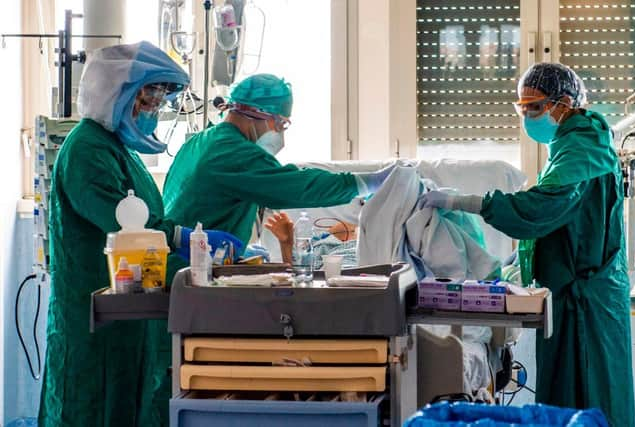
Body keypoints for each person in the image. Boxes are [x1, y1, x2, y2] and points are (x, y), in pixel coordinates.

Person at [420, 63, 635, 426]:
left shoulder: (583, 149)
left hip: (588, 305)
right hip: (574, 294)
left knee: (590, 396)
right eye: (522, 107)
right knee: (570, 399)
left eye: (534, 107)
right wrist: (516, 266)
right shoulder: (572, 141)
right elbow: (563, 225)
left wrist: (466, 202)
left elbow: (540, 209)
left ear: (563, 103)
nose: (527, 116)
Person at [38, 41, 235, 427]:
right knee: (91, 405)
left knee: (128, 401)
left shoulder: (118, 150)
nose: (155, 110)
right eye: (148, 100)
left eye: (159, 101)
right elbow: (127, 225)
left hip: (127, 307)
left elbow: (143, 219)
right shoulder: (86, 151)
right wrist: (183, 239)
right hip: (94, 310)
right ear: (117, 94)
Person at [162, 73, 394, 276]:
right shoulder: (233, 153)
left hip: (182, 263)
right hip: (191, 268)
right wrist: (366, 182)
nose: (280, 134)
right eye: (281, 124)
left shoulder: (199, 142)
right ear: (260, 114)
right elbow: (298, 186)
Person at [265, 212, 358, 266]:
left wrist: (286, 244)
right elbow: (300, 272)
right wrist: (286, 243)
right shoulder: (322, 245)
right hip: (336, 277)